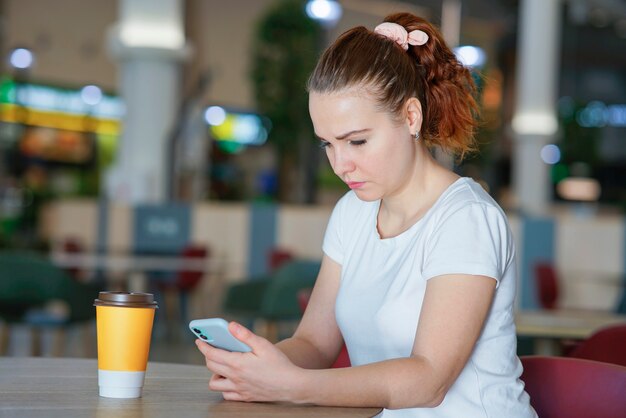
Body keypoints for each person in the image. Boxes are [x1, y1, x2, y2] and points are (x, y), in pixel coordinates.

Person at [195, 12, 537, 418]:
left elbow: (428, 381)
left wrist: (294, 385)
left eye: (356, 141)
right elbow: (315, 344)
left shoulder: (466, 219)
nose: (341, 165)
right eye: (328, 145)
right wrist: (258, 366)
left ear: (411, 117)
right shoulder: (351, 213)